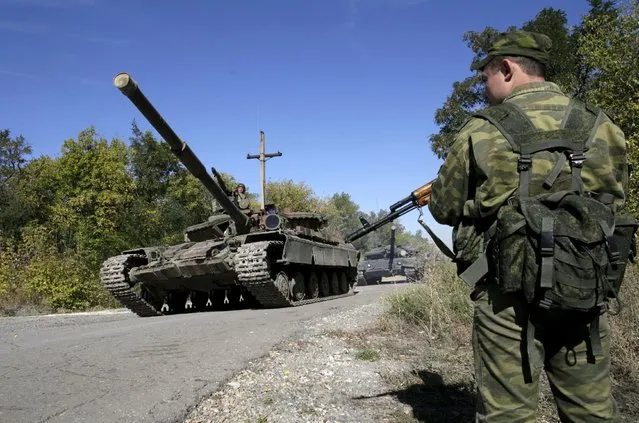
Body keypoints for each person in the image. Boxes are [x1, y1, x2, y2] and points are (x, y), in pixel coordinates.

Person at [428, 30, 630, 422]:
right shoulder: (601, 125)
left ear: (506, 68)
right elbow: (614, 201)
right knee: (593, 412)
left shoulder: (482, 129)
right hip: (583, 288)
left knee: (507, 415)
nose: (484, 87)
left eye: (485, 75)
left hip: (507, 294)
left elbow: (442, 206)